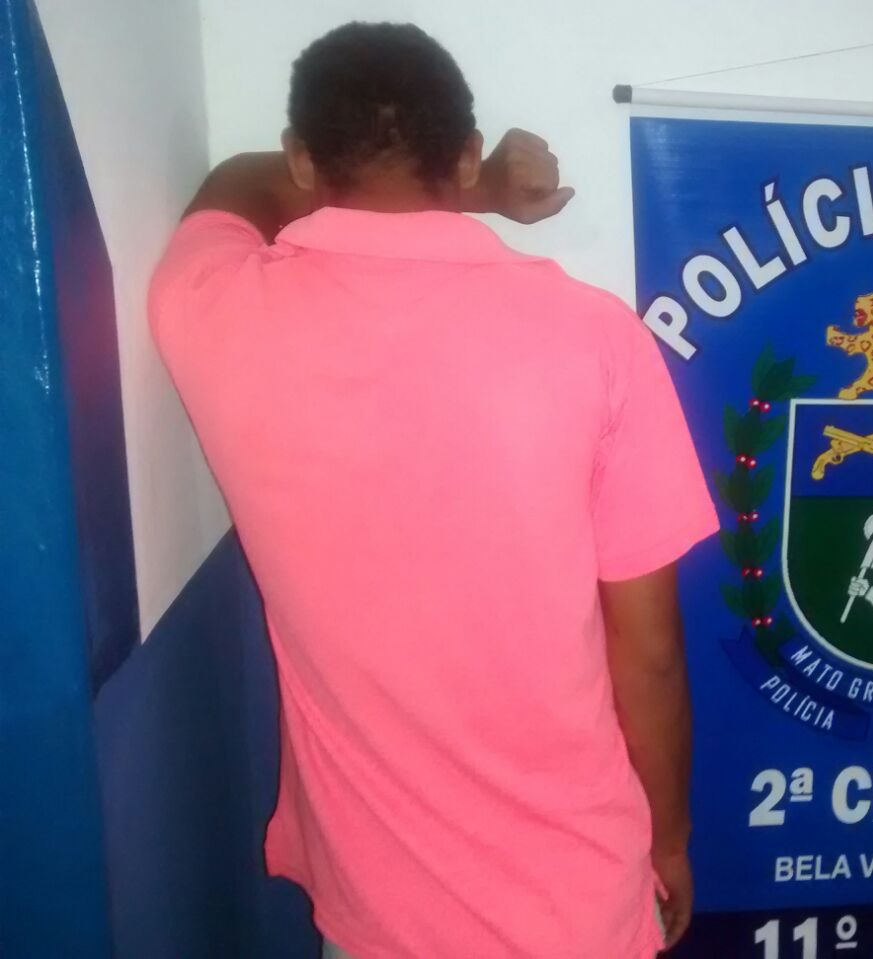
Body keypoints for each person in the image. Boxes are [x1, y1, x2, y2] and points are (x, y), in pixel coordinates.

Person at [148, 21, 717, 959]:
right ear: (464, 154)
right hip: (573, 904)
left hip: (377, 917)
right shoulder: (597, 338)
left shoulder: (213, 309)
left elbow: (233, 186)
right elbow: (649, 652)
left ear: (303, 157)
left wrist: (423, 179)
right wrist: (671, 839)